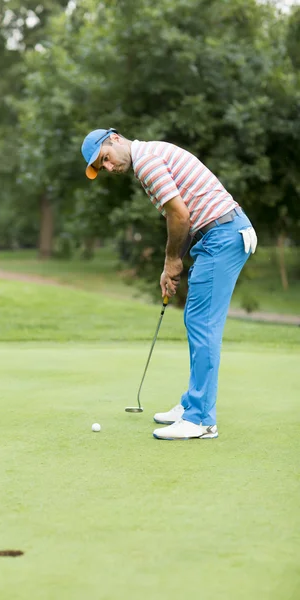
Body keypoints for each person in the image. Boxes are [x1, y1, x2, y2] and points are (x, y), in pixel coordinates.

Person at [81, 127, 257, 440]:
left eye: (104, 159)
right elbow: (183, 215)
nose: (108, 167)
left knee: (202, 323)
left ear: (115, 139)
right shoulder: (149, 157)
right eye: (101, 167)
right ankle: (193, 404)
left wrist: (172, 260)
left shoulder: (146, 161)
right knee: (196, 320)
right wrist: (170, 265)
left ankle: (200, 419)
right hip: (218, 234)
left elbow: (179, 214)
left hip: (222, 235)